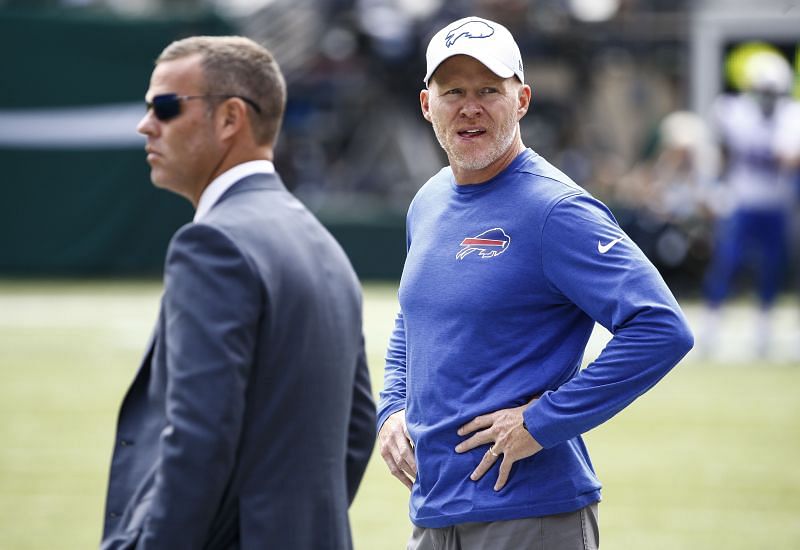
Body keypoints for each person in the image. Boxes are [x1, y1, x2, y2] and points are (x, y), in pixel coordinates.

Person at [377, 16, 693, 549]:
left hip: (530, 518)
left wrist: (541, 421)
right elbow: (414, 312)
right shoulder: (427, 201)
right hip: (434, 511)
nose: (469, 106)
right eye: (452, 90)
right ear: (427, 104)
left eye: (489, 90)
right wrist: (391, 408)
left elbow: (661, 327)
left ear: (522, 100)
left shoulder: (555, 210)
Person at [101, 36, 376, 550]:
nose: (146, 124)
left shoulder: (212, 244)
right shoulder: (323, 243)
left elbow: (198, 439)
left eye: (164, 106)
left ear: (230, 119)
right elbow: (356, 431)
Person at [700, 49, 800, 358]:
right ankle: (712, 324)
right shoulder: (732, 111)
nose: (767, 98)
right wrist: (713, 188)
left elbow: (789, 159)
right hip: (741, 199)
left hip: (776, 203)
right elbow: (718, 152)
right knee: (727, 261)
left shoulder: (791, 115)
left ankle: (763, 328)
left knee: (773, 266)